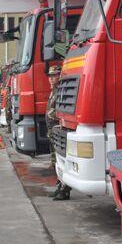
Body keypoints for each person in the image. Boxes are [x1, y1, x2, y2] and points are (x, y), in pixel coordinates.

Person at [45, 65, 71, 201]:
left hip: (59, 133)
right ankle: (59, 186)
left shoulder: (62, 90)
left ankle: (64, 190)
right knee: (56, 162)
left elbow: (63, 109)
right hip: (52, 132)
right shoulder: (53, 91)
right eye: (50, 76)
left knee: (62, 161)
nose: (51, 78)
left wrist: (52, 114)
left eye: (54, 75)